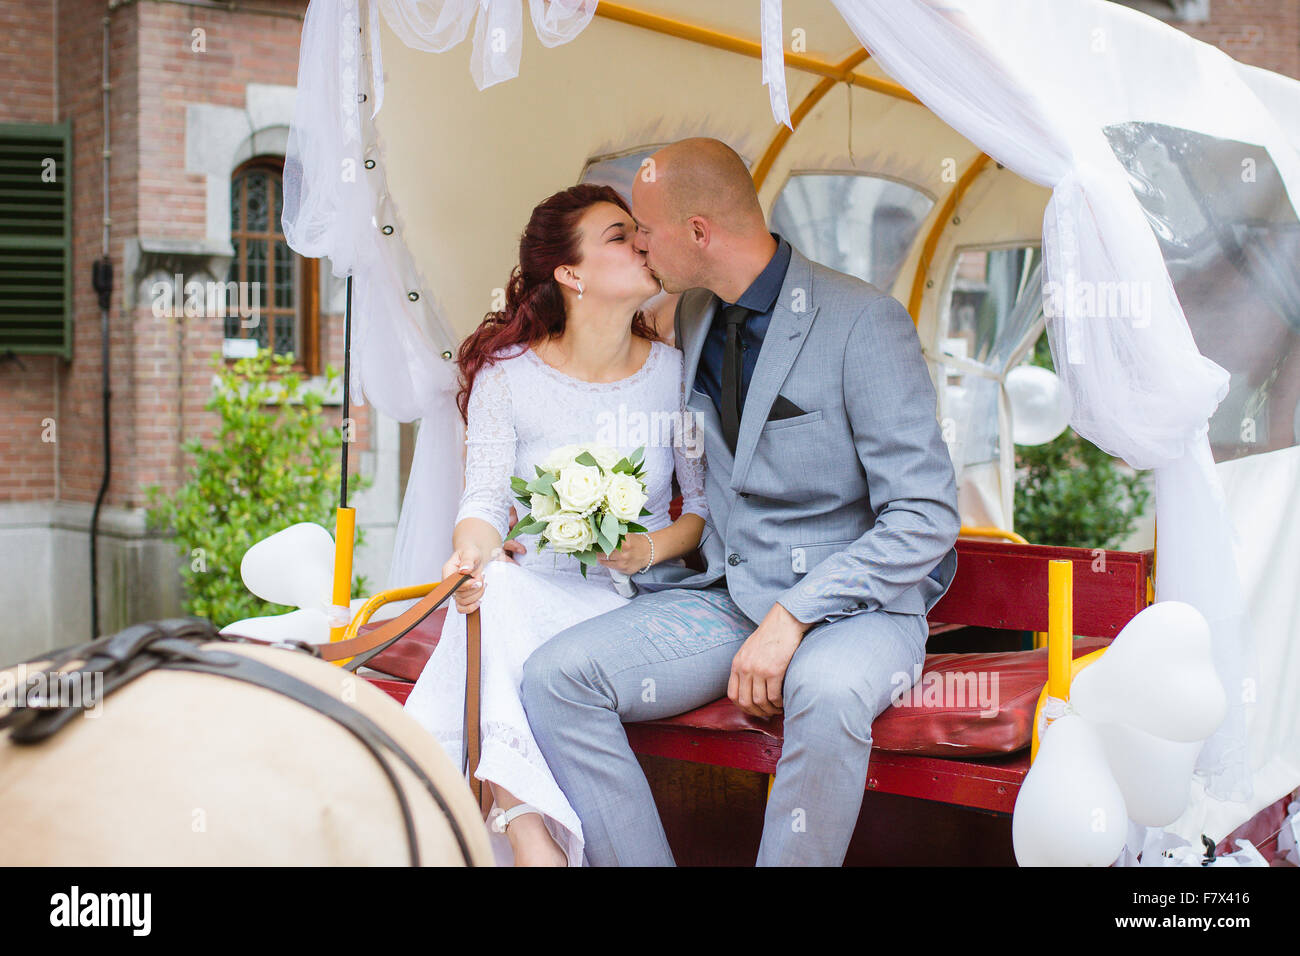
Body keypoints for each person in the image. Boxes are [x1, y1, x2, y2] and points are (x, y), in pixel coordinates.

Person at [519, 138, 962, 866]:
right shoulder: (691, 314)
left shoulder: (863, 322)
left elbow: (923, 516)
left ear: (699, 233)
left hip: (860, 609)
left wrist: (795, 615)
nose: (637, 245)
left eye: (646, 231)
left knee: (824, 691)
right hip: (726, 595)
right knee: (556, 679)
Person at [402, 183, 708, 867]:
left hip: (626, 607)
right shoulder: (507, 378)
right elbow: (481, 503)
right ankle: (531, 835)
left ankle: (510, 816)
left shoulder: (673, 376)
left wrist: (648, 547)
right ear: (570, 274)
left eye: (639, 231)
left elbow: (704, 512)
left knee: (498, 614)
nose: (641, 242)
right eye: (617, 234)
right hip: (531, 589)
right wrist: (470, 558)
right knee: (498, 587)